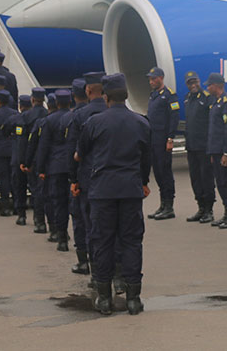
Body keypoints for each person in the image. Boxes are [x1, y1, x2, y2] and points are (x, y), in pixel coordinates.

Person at [77, 73, 151, 316]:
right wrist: (143, 182)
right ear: (126, 96)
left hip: (102, 191)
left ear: (105, 97)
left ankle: (105, 298)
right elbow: (146, 159)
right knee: (131, 242)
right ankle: (133, 299)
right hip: (130, 189)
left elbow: (82, 155)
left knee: (102, 242)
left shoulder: (94, 123)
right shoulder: (141, 123)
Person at [68, 72, 108, 275]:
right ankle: (116, 274)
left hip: (88, 180)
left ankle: (94, 270)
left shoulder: (80, 116)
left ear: (88, 90)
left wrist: (73, 180)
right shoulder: (116, 112)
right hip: (112, 179)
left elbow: (73, 153)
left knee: (89, 224)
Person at [37, 90, 73, 250]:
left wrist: (41, 168)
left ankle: (62, 237)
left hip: (56, 166)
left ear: (57, 103)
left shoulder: (49, 120)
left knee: (59, 203)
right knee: (76, 203)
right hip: (73, 165)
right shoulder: (74, 117)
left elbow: (43, 146)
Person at [204, 72, 227, 229]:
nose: (208, 88)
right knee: (221, 183)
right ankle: (226, 213)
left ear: (216, 85)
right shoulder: (216, 102)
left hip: (224, 152)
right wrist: (213, 152)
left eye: (209, 85)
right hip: (216, 151)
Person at [145, 67, 180, 220]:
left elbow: (174, 118)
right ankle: (163, 204)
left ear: (161, 78)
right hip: (153, 139)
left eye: (154, 78)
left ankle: (169, 206)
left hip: (163, 139)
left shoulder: (169, 95)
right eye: (150, 79)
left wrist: (170, 138)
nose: (151, 81)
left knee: (165, 172)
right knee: (158, 172)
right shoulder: (153, 95)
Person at [182, 71, 215, 223]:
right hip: (191, 146)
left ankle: (209, 209)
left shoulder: (207, 98)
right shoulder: (188, 99)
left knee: (206, 178)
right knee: (195, 178)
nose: (193, 85)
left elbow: (212, 124)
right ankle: (200, 207)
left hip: (204, 146)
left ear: (200, 81)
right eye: (190, 82)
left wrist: (211, 145)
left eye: (195, 81)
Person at [67, 79, 91, 268]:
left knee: (82, 220)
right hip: (107, 179)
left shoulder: (76, 117)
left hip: (84, 179)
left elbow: (73, 152)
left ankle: (84, 262)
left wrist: (73, 180)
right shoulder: (105, 112)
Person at [19, 88, 48, 230]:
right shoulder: (48, 114)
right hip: (48, 158)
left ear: (32, 100)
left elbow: (26, 142)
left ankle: (39, 221)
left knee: (36, 191)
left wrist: (25, 161)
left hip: (35, 159)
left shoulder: (27, 116)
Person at [5, 95, 32, 225]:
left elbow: (5, 131)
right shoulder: (38, 118)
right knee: (37, 189)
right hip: (33, 159)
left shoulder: (14, 119)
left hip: (17, 159)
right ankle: (40, 219)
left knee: (19, 187)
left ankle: (21, 215)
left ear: (20, 106)